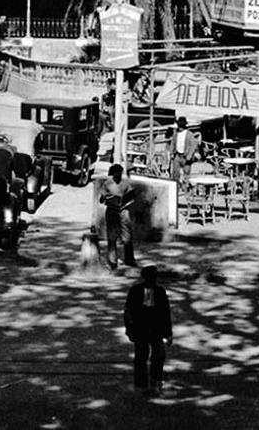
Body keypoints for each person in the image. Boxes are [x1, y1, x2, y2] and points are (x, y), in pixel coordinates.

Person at [124, 265, 173, 394]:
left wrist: (168, 333)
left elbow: (165, 313)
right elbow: (128, 311)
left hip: (155, 329)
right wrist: (129, 328)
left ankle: (154, 380)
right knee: (142, 356)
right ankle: (143, 383)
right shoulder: (136, 291)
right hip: (142, 328)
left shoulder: (159, 292)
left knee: (157, 355)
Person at [100, 163, 136, 270]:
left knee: (127, 236)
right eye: (115, 174)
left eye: (119, 174)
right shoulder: (107, 184)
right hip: (111, 211)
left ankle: (129, 259)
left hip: (124, 211)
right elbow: (101, 199)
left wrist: (125, 203)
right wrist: (107, 198)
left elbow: (132, 197)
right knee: (112, 236)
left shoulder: (126, 184)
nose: (117, 176)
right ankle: (112, 261)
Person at [170, 117, 201, 184]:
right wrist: (171, 153)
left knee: (186, 173)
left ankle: (186, 188)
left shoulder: (189, 134)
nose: (180, 127)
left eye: (181, 126)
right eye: (179, 125)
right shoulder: (175, 134)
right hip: (177, 155)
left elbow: (193, 146)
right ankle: (177, 187)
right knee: (175, 173)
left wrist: (189, 156)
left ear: (184, 126)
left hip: (185, 156)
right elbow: (173, 143)